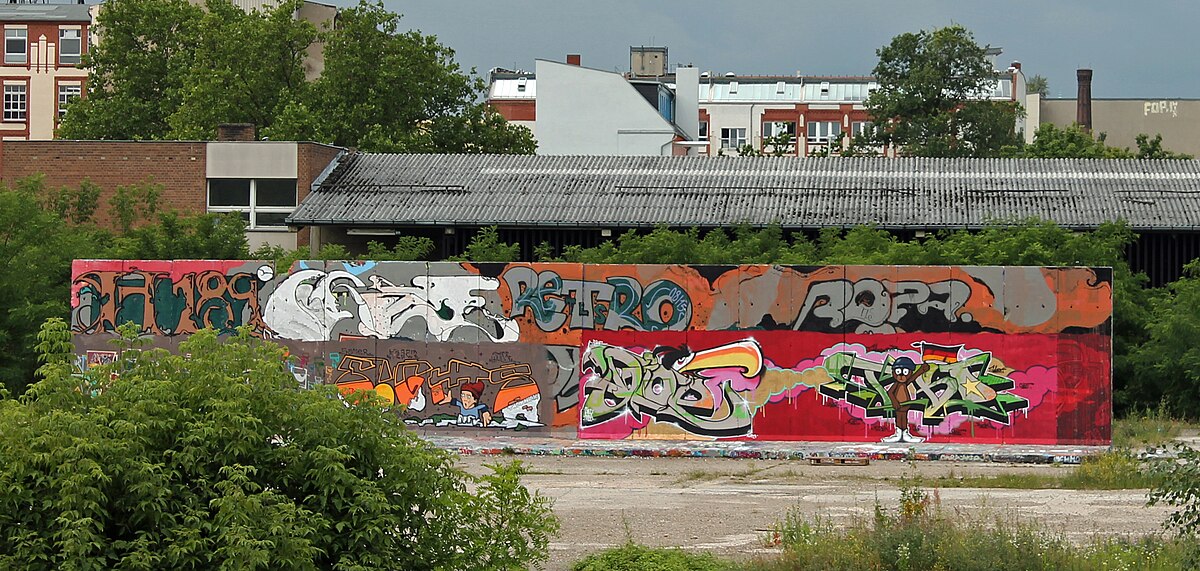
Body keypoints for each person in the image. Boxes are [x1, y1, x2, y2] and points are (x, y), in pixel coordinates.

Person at [881, 356, 929, 444]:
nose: (901, 376)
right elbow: (890, 392)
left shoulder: (904, 383)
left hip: (905, 404)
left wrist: (922, 370)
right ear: (894, 373)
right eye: (898, 372)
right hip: (899, 405)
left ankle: (905, 433)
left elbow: (913, 378)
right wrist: (894, 402)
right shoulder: (896, 384)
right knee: (899, 418)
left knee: (904, 418)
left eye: (905, 372)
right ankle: (899, 433)